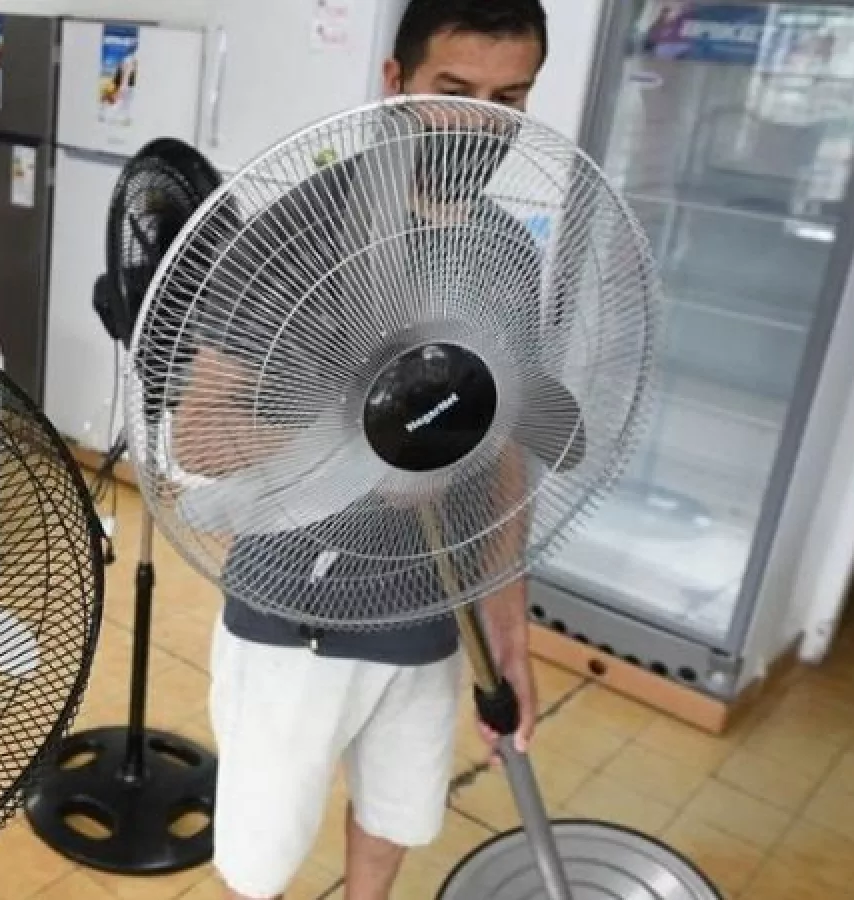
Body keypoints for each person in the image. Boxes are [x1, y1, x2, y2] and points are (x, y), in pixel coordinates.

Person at [173, 2, 552, 899]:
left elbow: (504, 448)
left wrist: (509, 633)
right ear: (395, 82)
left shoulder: (505, 248)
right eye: (453, 90)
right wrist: (361, 445)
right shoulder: (296, 235)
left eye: (509, 99)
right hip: (296, 617)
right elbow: (200, 430)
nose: (479, 123)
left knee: (398, 812)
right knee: (263, 857)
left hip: (435, 610)